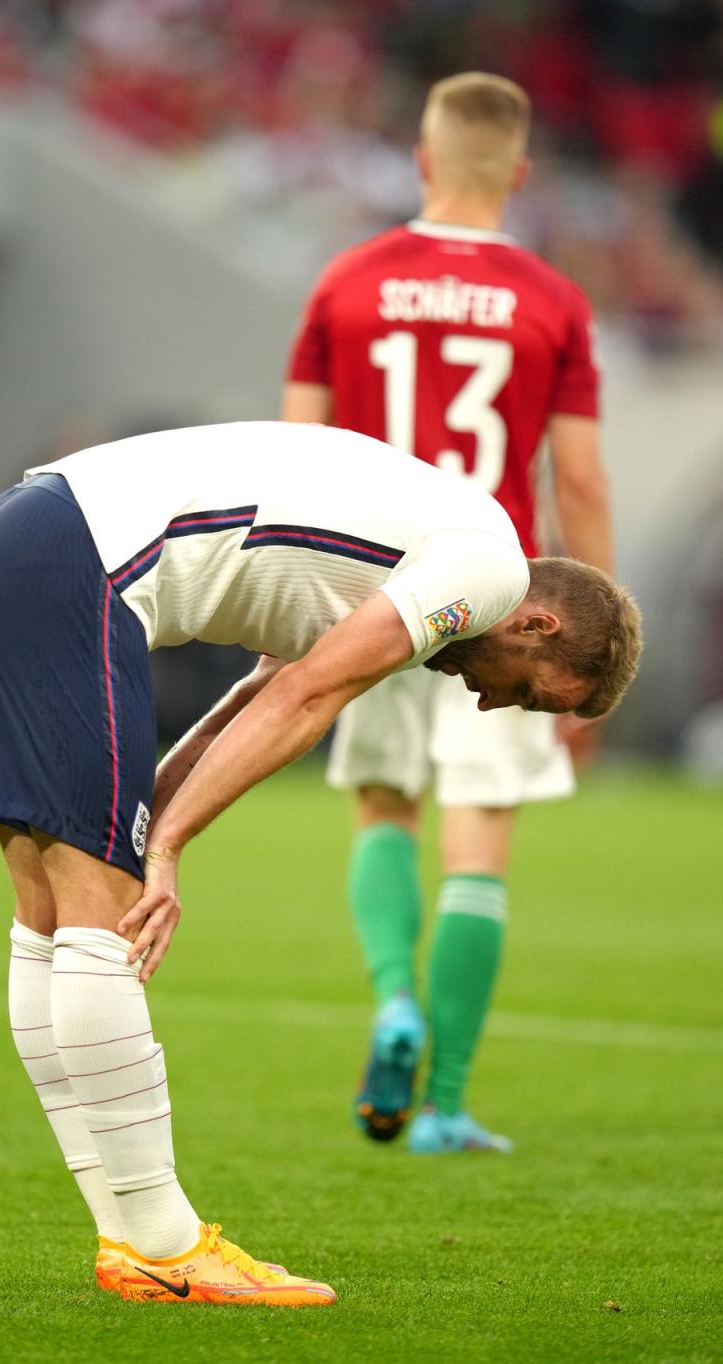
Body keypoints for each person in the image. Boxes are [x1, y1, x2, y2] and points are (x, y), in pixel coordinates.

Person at [0, 420, 640, 1306]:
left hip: (13, 535)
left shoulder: (420, 546)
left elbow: (260, 695)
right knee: (102, 916)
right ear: (536, 622)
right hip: (79, 565)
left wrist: (151, 809)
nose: (493, 701)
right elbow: (309, 699)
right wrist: (164, 845)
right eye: (530, 691)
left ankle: (130, 1237)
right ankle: (164, 1245)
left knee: (46, 914)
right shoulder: (489, 571)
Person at [282, 72, 612, 1154]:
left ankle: (392, 999)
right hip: (502, 602)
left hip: (375, 587)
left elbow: (302, 456)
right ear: (517, 173)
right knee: (478, 847)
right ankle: (447, 1104)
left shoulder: (347, 280)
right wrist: (594, 646)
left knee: (383, 805)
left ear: (422, 162)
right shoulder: (553, 301)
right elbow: (584, 480)